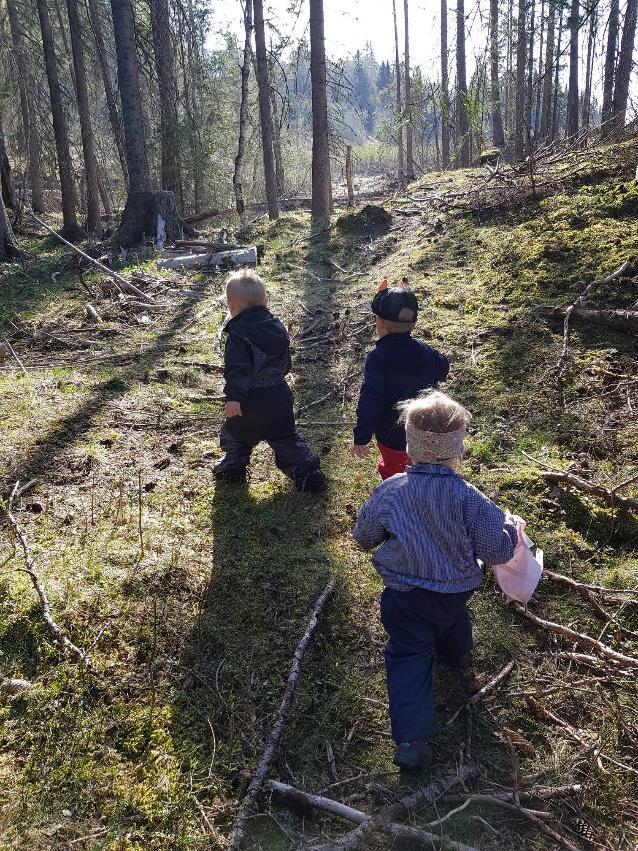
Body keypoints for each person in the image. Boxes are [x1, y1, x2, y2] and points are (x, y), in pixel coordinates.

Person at [353, 391, 517, 769]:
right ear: (457, 449)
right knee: (451, 623)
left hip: (404, 596)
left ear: (409, 444)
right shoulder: (468, 497)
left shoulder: (391, 490)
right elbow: (498, 550)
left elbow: (364, 537)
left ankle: (411, 740)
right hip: (454, 592)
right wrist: (509, 528)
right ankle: (458, 657)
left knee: (408, 655)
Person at [213, 269, 326, 493]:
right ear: (265, 301)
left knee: (236, 435)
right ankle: (306, 471)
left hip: (249, 401)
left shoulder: (238, 335)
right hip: (279, 395)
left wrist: (234, 398)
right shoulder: (278, 328)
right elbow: (286, 363)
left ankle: (233, 468)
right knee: (285, 437)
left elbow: (237, 370)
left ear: (231, 305)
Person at [351, 285, 450, 479]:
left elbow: (371, 399)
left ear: (379, 324)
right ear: (414, 324)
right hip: (426, 430)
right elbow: (443, 368)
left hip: (393, 436)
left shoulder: (378, 358)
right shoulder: (427, 352)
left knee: (396, 473)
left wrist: (362, 436)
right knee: (423, 466)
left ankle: (398, 500)